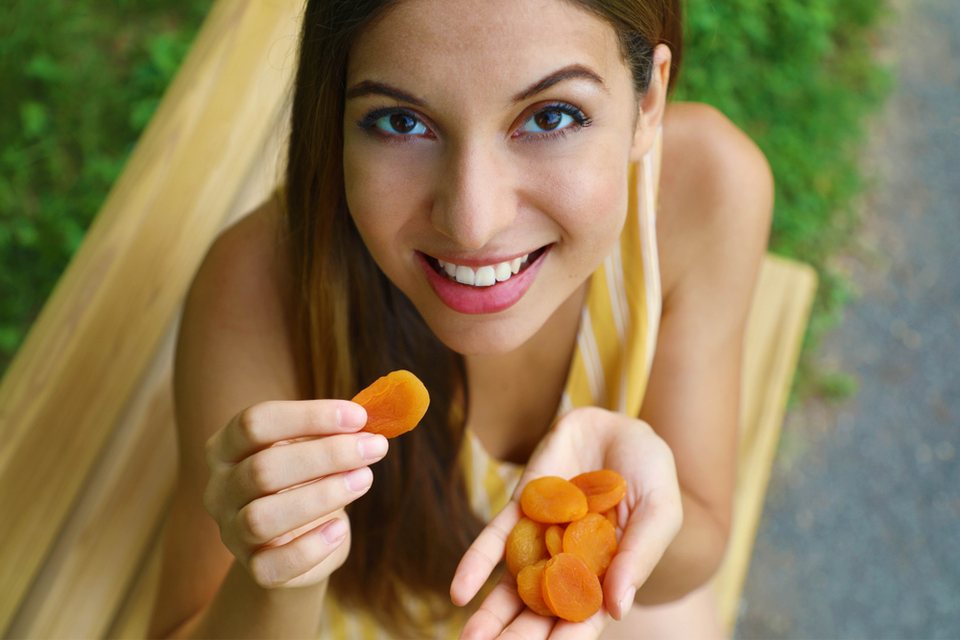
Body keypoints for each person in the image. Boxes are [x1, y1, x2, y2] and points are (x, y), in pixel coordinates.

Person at [147, 0, 773, 637]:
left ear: (647, 104)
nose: (473, 223)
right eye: (400, 121)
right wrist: (280, 575)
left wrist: (605, 527)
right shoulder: (257, 286)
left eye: (551, 116)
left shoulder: (707, 193)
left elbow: (699, 538)